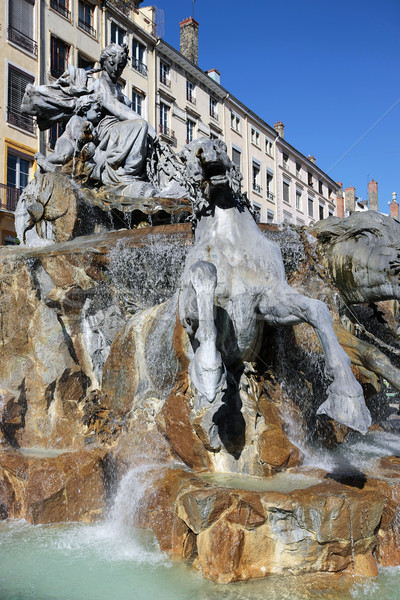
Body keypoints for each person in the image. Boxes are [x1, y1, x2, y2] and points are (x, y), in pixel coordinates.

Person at [34, 94, 102, 173]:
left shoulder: (93, 127)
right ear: (85, 109)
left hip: (76, 151)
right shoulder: (76, 119)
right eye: (96, 110)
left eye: (100, 111)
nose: (99, 113)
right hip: (66, 142)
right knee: (63, 156)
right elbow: (76, 135)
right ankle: (45, 161)